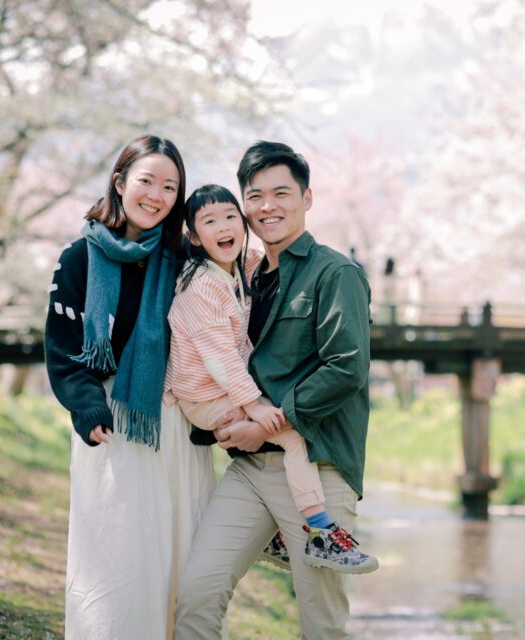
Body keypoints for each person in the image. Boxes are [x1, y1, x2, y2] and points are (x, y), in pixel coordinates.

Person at [175, 141, 376, 639]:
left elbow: (345, 368)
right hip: (248, 470)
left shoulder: (336, 273)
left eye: (281, 193)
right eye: (255, 196)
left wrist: (265, 422)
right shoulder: (242, 276)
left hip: (319, 467)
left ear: (307, 198)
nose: (267, 206)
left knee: (320, 619)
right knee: (197, 593)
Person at [45, 135, 216, 639]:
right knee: (119, 565)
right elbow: (64, 349)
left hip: (178, 429)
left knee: (182, 566)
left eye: (170, 186)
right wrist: (87, 408)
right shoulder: (79, 257)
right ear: (120, 183)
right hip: (114, 426)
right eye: (146, 181)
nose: (156, 195)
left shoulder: (188, 261)